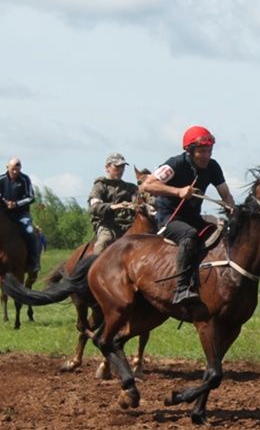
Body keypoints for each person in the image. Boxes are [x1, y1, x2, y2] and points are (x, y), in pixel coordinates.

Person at [141, 125, 236, 303]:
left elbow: (225, 194)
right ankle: (181, 288)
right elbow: (147, 185)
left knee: (218, 233)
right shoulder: (175, 164)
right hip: (169, 218)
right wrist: (178, 191)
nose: (207, 155)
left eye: (209, 150)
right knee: (189, 235)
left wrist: (232, 207)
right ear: (190, 151)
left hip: (194, 218)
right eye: (202, 151)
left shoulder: (213, 167)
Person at [0, 157, 40, 273]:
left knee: (29, 232)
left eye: (17, 169)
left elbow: (31, 197)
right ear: (7, 167)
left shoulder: (25, 179)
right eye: (13, 169)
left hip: (21, 213)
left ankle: (33, 262)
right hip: (4, 214)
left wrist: (16, 204)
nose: (15, 172)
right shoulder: (1, 179)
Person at [88, 152, 141, 252]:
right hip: (108, 226)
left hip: (129, 226)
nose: (121, 170)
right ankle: (96, 265)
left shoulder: (131, 188)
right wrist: (113, 206)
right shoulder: (101, 186)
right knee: (103, 242)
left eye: (122, 167)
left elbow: (138, 202)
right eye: (117, 167)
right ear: (107, 167)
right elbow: (94, 207)